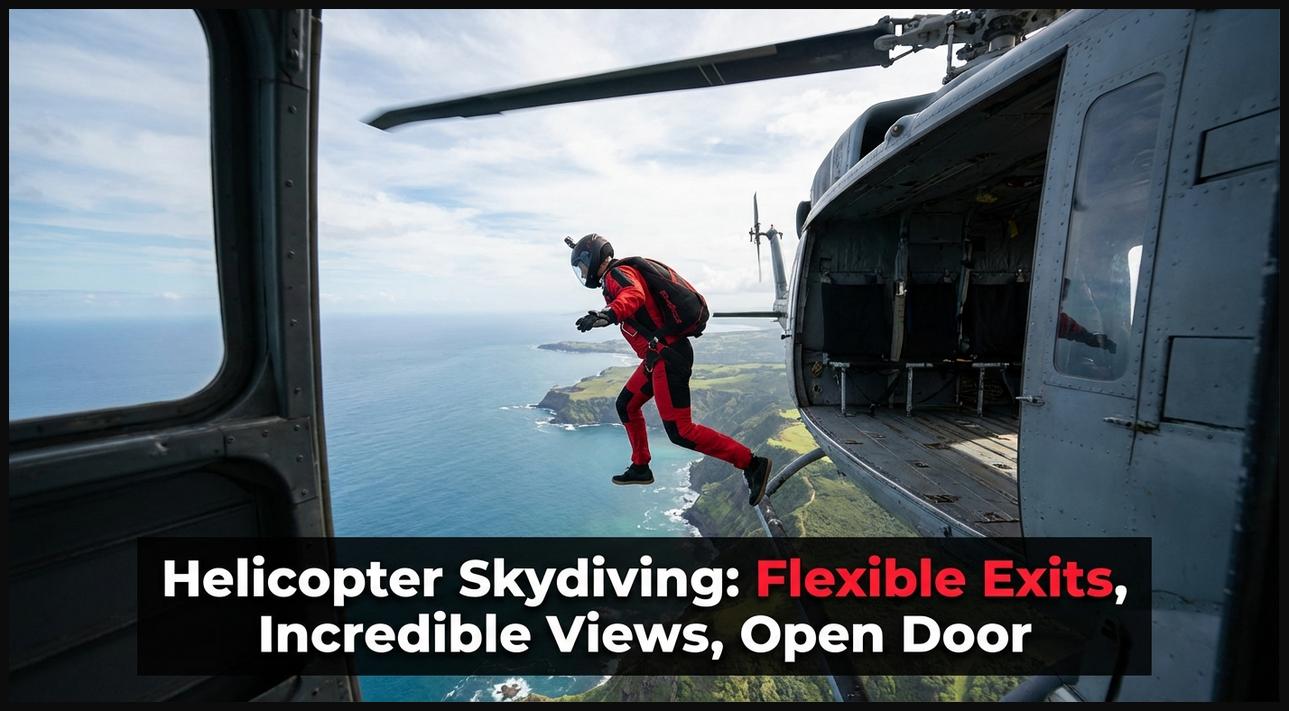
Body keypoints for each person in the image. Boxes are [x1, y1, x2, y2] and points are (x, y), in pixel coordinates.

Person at [567, 233, 772, 506]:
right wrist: (608, 314)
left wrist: (608, 314)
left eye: (582, 266)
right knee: (626, 405)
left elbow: (634, 295)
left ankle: (752, 463)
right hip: (657, 358)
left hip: (668, 357)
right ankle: (641, 466)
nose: (582, 273)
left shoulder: (618, 274)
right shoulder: (616, 276)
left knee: (680, 431)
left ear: (591, 260)